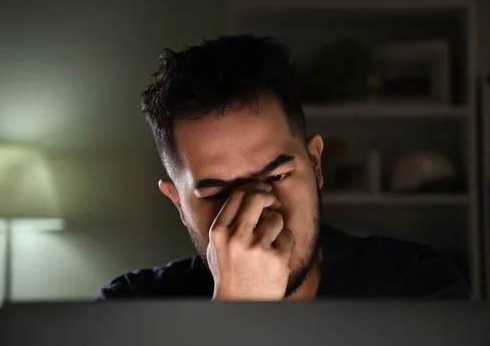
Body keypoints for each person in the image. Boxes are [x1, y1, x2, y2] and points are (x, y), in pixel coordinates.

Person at [97, 35, 469, 301]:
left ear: (316, 165)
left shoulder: (416, 287)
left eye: (277, 175)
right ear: (178, 203)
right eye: (217, 193)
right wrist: (238, 311)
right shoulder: (129, 306)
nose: (258, 211)